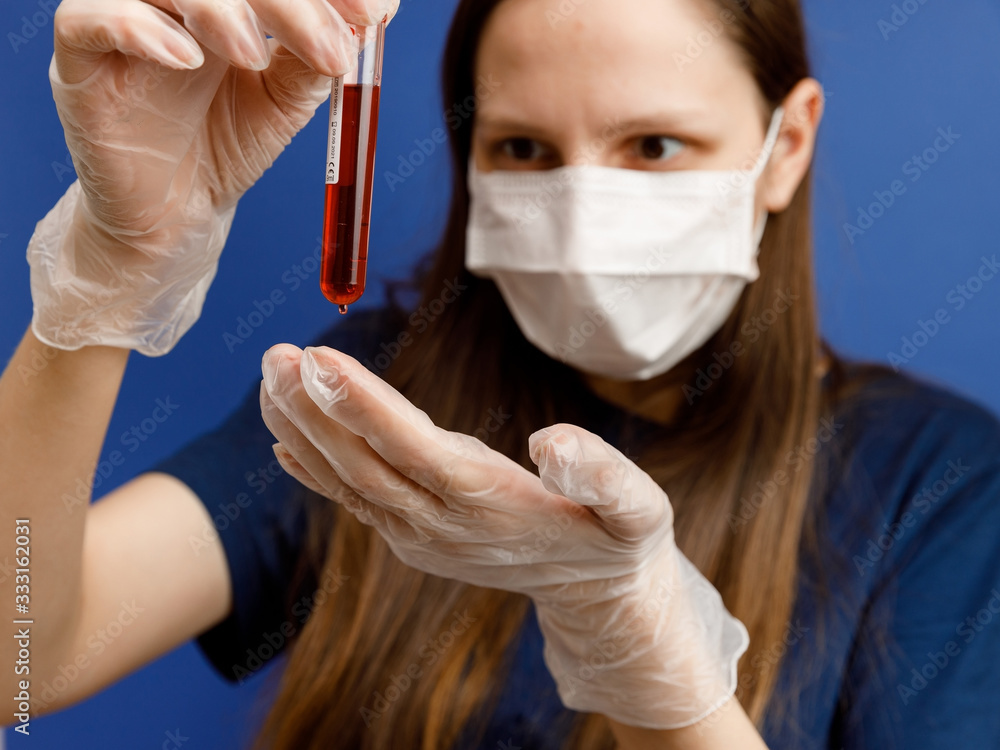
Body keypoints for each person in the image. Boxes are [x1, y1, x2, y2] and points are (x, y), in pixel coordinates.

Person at [1, 0, 998, 748]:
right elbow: (18, 658)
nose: (581, 210)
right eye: (522, 147)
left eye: (653, 145)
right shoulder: (380, 402)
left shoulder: (937, 483)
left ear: (785, 144)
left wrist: (666, 690)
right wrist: (106, 274)